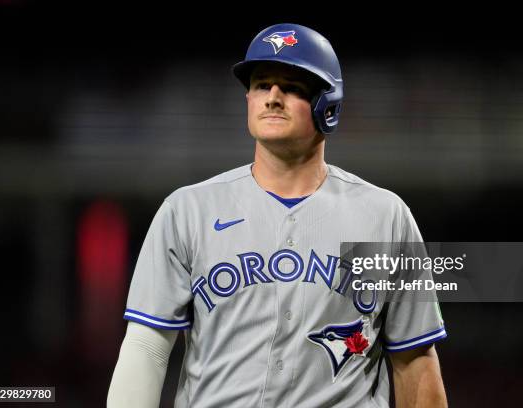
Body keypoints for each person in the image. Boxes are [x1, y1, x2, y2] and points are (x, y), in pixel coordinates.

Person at [108, 23, 448, 407]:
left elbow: (415, 359)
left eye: (291, 86)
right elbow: (146, 348)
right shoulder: (187, 211)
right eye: (260, 84)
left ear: (328, 104)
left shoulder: (386, 217)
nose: (272, 97)